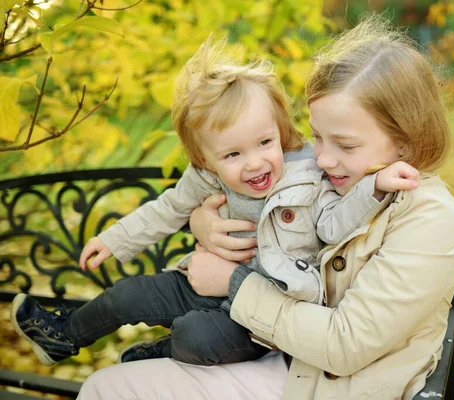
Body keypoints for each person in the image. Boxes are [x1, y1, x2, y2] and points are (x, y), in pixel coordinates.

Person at [76, 14, 454, 400]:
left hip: (330, 384)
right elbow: (248, 197)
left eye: (345, 145)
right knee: (107, 383)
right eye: (317, 136)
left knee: (109, 388)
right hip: (285, 358)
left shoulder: (431, 220)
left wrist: (232, 282)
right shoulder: (340, 178)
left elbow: (345, 346)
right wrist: (201, 222)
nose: (324, 158)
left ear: (405, 140)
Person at [11, 36, 419, 369]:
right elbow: (167, 208)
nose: (255, 162)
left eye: (264, 142)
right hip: (201, 281)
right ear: (206, 159)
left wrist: (375, 186)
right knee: (127, 294)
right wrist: (116, 239)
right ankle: (64, 336)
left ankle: (164, 351)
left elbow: (337, 221)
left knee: (194, 335)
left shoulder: (309, 175)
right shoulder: (204, 179)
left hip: (260, 312)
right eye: (233, 155)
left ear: (280, 131)